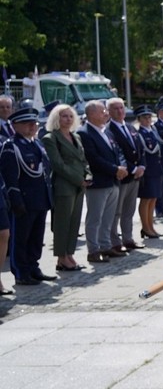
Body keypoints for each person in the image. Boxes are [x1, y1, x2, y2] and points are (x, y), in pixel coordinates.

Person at [1, 105, 55, 285]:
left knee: (36, 237)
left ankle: (33, 267)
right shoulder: (11, 146)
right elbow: (10, 177)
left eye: (34, 123)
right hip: (24, 200)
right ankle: (21, 271)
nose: (32, 126)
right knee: (21, 238)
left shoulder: (36, 144)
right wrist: (15, 200)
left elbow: (44, 171)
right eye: (27, 123)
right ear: (15, 125)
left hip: (40, 198)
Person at [42, 103, 88, 272]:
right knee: (62, 223)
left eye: (70, 116)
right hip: (64, 185)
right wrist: (78, 179)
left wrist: (88, 176)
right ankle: (61, 257)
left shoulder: (76, 137)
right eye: (64, 116)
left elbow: (83, 160)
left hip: (79, 185)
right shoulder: (50, 138)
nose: (68, 119)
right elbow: (58, 164)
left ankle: (69, 254)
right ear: (56, 118)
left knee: (74, 222)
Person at [79, 100, 126, 263]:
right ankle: (93, 250)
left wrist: (122, 168)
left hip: (113, 181)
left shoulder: (106, 132)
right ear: (91, 114)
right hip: (98, 182)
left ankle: (106, 246)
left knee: (108, 218)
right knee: (95, 218)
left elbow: (117, 152)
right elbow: (93, 159)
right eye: (102, 111)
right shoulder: (84, 133)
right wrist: (115, 169)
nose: (106, 114)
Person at [107, 98, 145, 252]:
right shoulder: (109, 130)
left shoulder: (130, 127)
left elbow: (140, 148)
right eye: (115, 108)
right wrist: (133, 169)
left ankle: (128, 239)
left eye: (121, 108)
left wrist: (142, 166)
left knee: (129, 211)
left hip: (135, 176)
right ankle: (114, 242)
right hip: (123, 176)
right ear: (109, 111)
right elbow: (118, 154)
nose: (120, 111)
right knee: (116, 212)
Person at [134, 105, 163, 238]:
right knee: (146, 199)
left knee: (153, 199)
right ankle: (145, 227)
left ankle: (151, 226)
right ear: (139, 119)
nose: (147, 119)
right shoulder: (140, 133)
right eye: (144, 117)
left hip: (156, 169)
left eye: (149, 117)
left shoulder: (152, 131)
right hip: (147, 171)